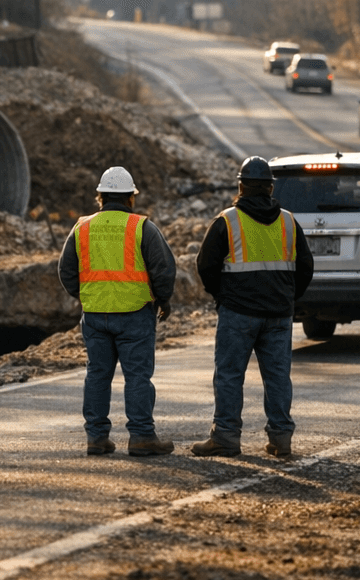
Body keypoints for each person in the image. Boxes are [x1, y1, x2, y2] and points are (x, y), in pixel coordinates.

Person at [192, 155, 314, 458]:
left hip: (238, 313)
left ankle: (226, 437)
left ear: (241, 186)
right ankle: (281, 439)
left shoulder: (227, 221)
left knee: (230, 375)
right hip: (278, 313)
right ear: (270, 188)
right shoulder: (288, 221)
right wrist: (288, 296)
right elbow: (306, 266)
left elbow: (205, 265)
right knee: (277, 376)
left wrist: (222, 296)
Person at [59, 166, 177, 457]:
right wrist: (164, 300)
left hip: (96, 315)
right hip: (135, 314)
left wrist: (86, 294)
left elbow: (65, 271)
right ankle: (141, 437)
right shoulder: (142, 227)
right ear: (130, 198)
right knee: (137, 376)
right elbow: (163, 269)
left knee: (97, 375)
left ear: (99, 197)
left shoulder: (82, 227)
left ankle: (97, 438)